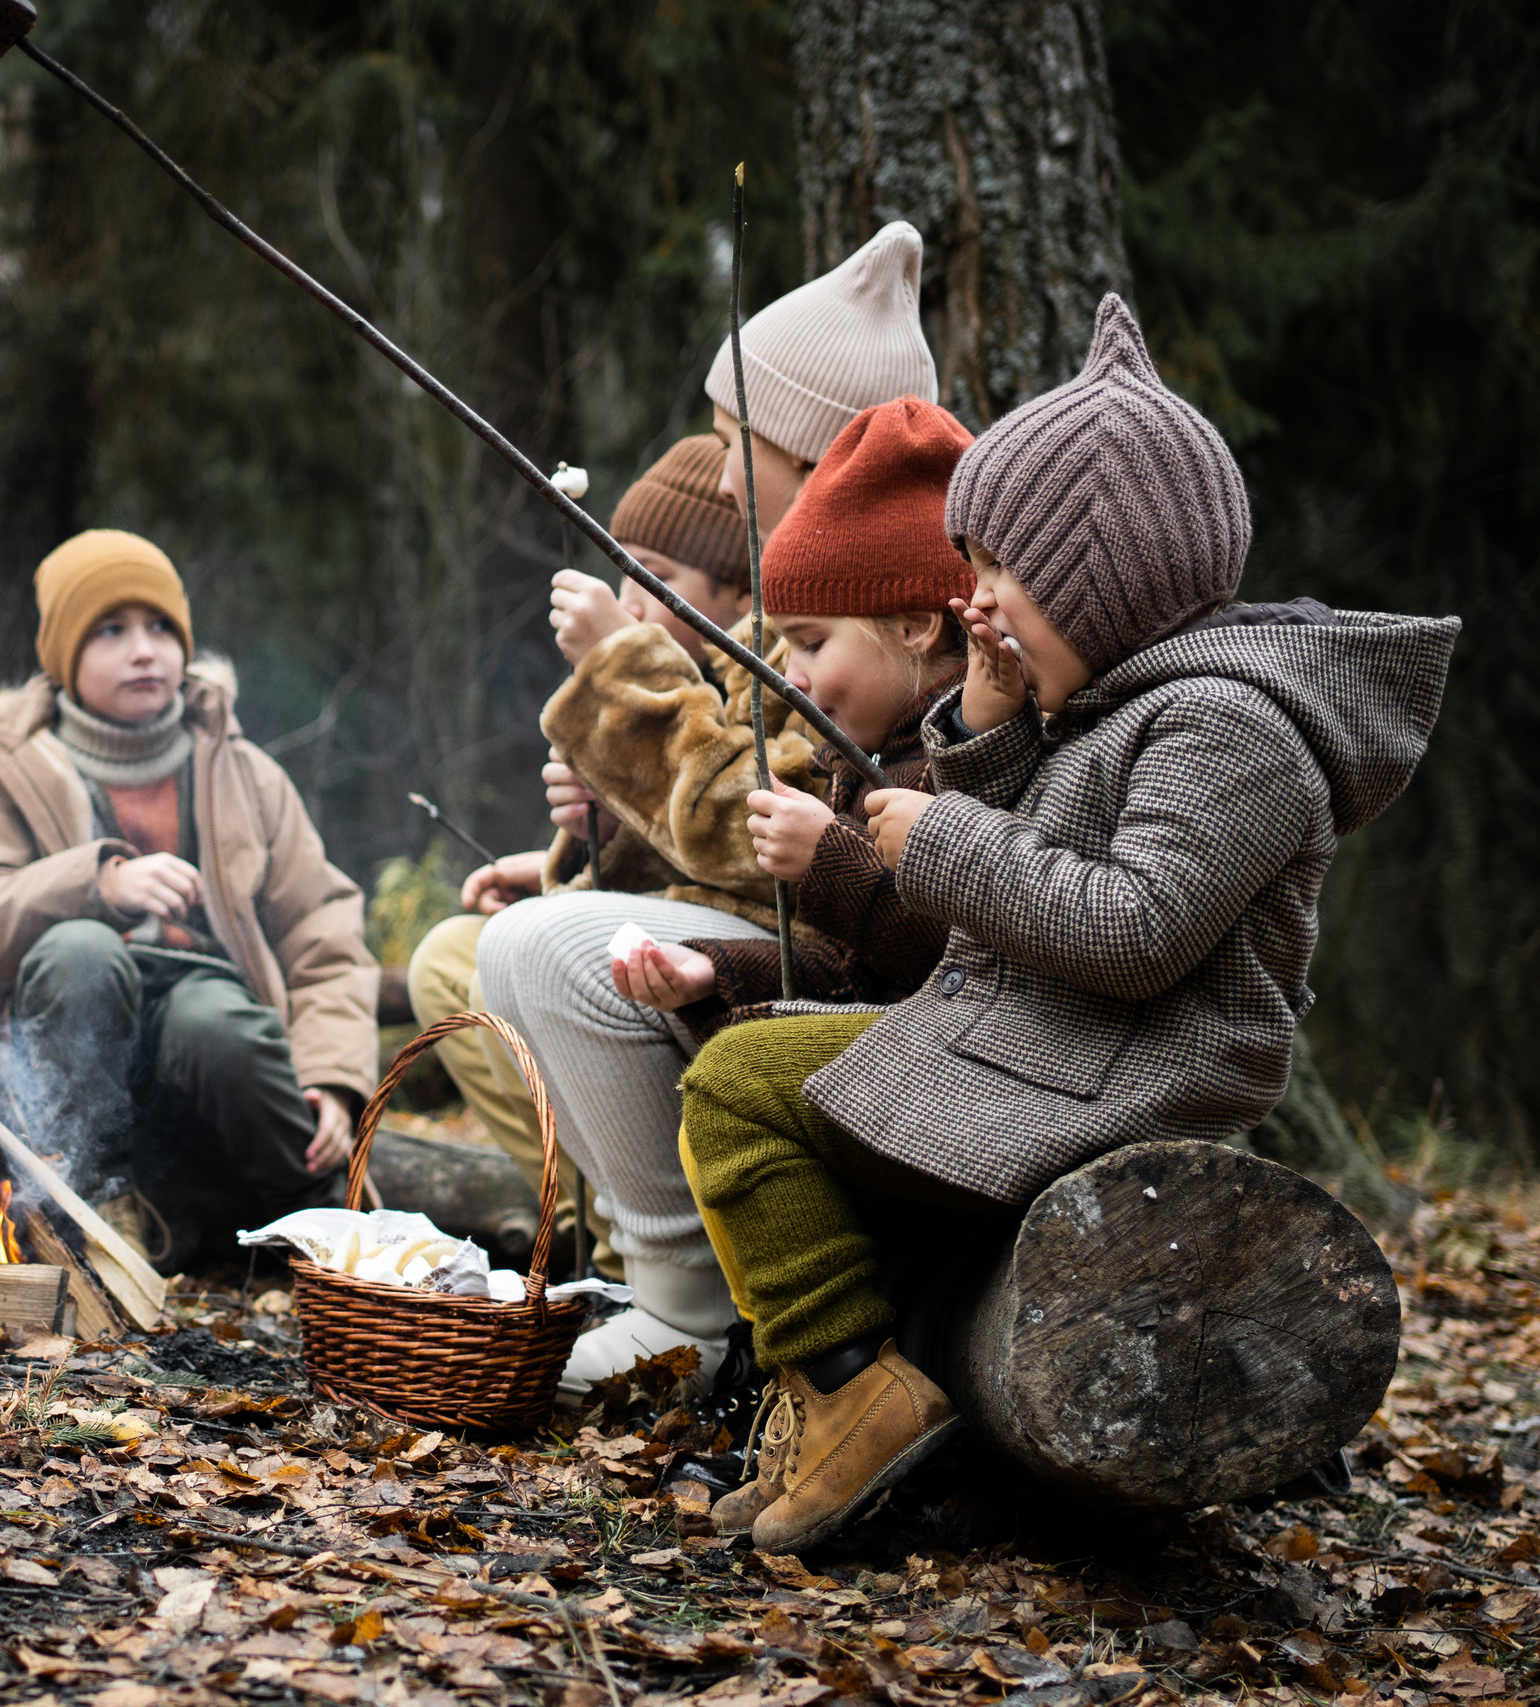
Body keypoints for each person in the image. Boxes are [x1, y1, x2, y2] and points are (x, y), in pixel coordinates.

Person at [680, 294, 1457, 1553]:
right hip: (1048, 1041)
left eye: (999, 573)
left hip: (1126, 1069)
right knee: (769, 1054)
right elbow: (1043, 855)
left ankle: (851, 1395)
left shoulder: (1232, 729)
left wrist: (937, 838)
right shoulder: (1129, 706)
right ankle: (839, 1389)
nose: (975, 599)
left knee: (741, 1089)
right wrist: (987, 722)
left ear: (1097, 584)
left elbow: (1132, 925)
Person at [486, 395, 980, 1394]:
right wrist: (712, 967)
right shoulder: (876, 742)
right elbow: (838, 955)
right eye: (783, 646)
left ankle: (692, 1320)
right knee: (501, 952)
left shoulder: (956, 754)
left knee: (546, 959)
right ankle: (663, 1289)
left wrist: (821, 863)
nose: (791, 675)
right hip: (837, 1017)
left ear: (918, 626)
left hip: (935, 1078)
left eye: (807, 645)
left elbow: (919, 949)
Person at [0, 529, 379, 1268]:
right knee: (83, 951)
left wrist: (335, 1077)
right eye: (110, 631)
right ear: (65, 658)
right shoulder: (0, 775)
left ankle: (322, 1240)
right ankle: (94, 1214)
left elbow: (322, 933)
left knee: (218, 1022)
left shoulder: (243, 773)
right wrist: (96, 884)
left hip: (206, 1039)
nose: (144, 650)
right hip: (63, 1050)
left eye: (161, 628)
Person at [404, 434, 749, 1280]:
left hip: (729, 977)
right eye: (623, 574)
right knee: (446, 960)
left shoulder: (768, 680)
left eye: (656, 579)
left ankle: (648, 1255)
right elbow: (666, 853)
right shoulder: (687, 682)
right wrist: (572, 851)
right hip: (665, 938)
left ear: (738, 595)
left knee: (509, 960)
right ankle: (581, 1237)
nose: (631, 604)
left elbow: (737, 852)